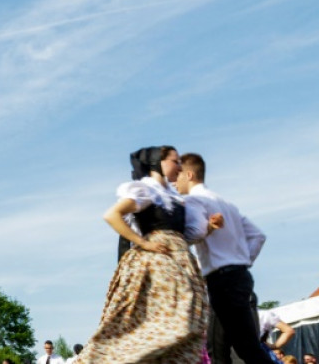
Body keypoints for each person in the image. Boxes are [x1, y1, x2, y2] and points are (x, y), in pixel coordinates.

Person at [74, 146, 221, 364]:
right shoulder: (147, 190)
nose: (180, 166)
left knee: (189, 322)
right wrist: (142, 242)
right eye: (175, 161)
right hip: (156, 265)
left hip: (180, 262)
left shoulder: (176, 198)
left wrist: (209, 228)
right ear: (157, 163)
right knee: (168, 324)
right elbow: (112, 215)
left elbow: (186, 237)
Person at [175, 153, 273, 364]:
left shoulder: (193, 200)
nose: (174, 181)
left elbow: (195, 232)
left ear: (189, 175)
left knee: (229, 348)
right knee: (234, 348)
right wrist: (241, 261)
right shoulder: (227, 203)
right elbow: (258, 236)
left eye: (178, 175)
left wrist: (174, 238)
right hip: (238, 277)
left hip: (222, 280)